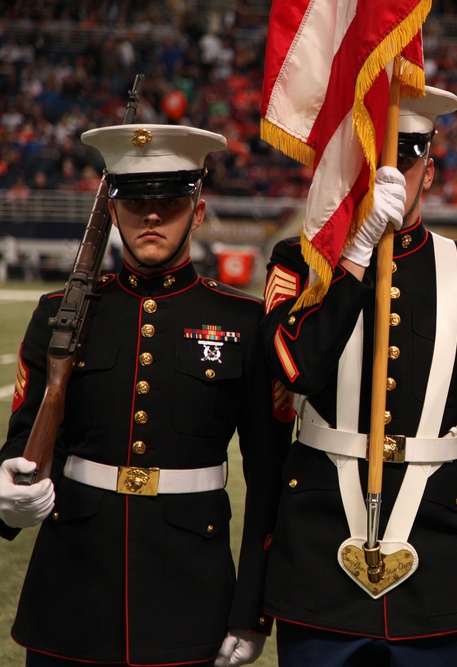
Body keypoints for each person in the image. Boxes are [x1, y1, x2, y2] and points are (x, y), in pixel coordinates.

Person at [0, 123, 290, 666]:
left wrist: (251, 608)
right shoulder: (58, 314)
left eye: (169, 201)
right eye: (134, 203)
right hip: (71, 592)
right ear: (112, 211)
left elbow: (269, 476)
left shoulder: (244, 323)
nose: (151, 216)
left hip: (190, 593)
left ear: (198, 211)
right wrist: (7, 491)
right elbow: (23, 441)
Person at [259, 86, 457, 666]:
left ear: (430, 169)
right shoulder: (299, 263)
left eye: (406, 159)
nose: (391, 177)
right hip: (320, 563)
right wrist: (353, 253)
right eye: (373, 161)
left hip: (441, 562)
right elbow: (296, 370)